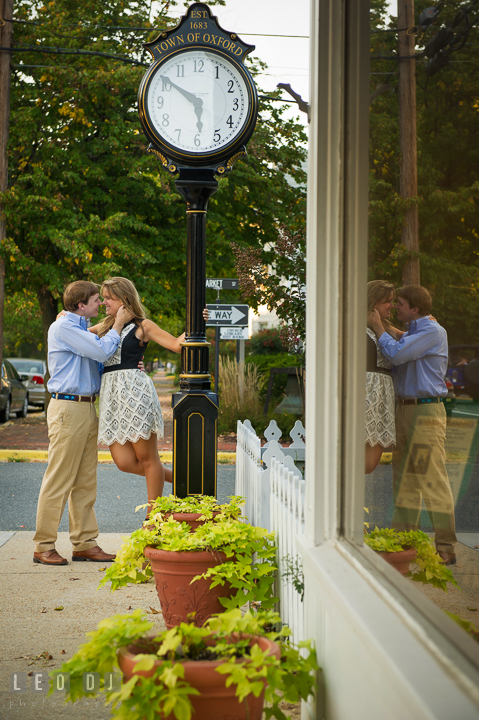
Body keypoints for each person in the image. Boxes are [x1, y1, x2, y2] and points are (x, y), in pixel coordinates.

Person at [33, 281, 132, 566]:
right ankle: (43, 546)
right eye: (94, 300)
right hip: (68, 407)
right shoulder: (63, 328)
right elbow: (101, 351)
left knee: (85, 481)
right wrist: (118, 325)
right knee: (59, 480)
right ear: (80, 305)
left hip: (87, 408)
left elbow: (96, 354)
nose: (100, 303)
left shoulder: (75, 328)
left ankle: (85, 543)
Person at [369, 285, 457, 566]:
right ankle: (404, 543)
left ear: (415, 309)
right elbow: (402, 337)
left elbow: (396, 353)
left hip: (426, 411)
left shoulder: (432, 331)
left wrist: (379, 328)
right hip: (404, 410)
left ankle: (446, 547)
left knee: (432, 479)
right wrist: (386, 326)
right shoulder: (417, 332)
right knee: (404, 480)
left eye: (401, 304)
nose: (395, 307)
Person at [90, 277, 185, 516]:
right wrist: (63, 315)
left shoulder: (144, 326)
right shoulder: (105, 326)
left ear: (124, 299)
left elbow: (176, 345)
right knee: (123, 462)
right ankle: (184, 480)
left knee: (147, 457)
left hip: (135, 392)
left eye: (108, 297)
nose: (104, 302)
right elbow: (76, 331)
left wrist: (198, 323)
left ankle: (154, 517)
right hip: (111, 398)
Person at [365, 280, 402, 474]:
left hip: (382, 396)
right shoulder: (357, 328)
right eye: (387, 301)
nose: (392, 305)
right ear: (373, 303)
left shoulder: (386, 327)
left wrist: (427, 322)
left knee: (370, 463)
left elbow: (410, 339)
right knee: (363, 461)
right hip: (365, 395)